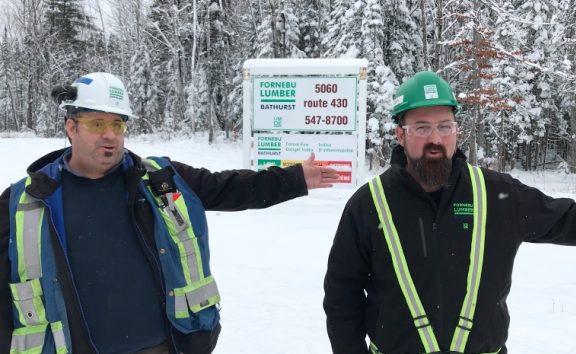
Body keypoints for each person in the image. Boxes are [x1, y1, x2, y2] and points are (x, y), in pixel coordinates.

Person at [0, 72, 339, 354]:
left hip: (162, 348)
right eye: (96, 123)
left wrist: (295, 178)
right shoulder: (25, 202)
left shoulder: (158, 181)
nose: (109, 135)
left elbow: (227, 187)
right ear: (71, 128)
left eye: (118, 125)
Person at [323, 71, 576, 354]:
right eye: (422, 127)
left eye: (445, 126)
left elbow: (572, 220)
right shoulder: (369, 203)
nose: (435, 139)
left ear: (456, 130)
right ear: (400, 135)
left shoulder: (497, 194)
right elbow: (342, 295)